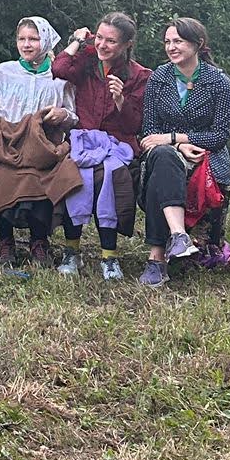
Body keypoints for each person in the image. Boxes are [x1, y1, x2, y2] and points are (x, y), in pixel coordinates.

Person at [0, 17, 70, 270]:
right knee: (1, 174)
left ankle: (39, 241)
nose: (26, 44)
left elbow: (74, 114)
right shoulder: (3, 72)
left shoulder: (59, 77)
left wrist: (63, 114)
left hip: (43, 146)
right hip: (7, 143)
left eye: (33, 39)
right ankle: (4, 240)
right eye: (22, 39)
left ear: (46, 41)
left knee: (41, 176)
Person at [137, 17, 230, 288]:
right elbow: (149, 132)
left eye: (178, 41)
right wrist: (176, 146)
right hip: (165, 154)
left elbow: (220, 135)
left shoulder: (219, 81)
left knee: (160, 168)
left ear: (198, 44)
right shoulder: (159, 78)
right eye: (167, 42)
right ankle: (179, 236)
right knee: (163, 158)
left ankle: (156, 259)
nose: (171, 47)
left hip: (206, 156)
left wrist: (175, 138)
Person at [52, 14, 150, 280]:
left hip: (118, 146)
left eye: (111, 41)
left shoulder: (139, 76)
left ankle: (109, 255)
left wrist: (121, 100)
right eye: (99, 38)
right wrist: (77, 41)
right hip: (83, 142)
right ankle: (72, 251)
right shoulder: (86, 63)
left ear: (127, 44)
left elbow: (135, 125)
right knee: (75, 175)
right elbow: (59, 68)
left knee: (107, 177)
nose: (103, 45)